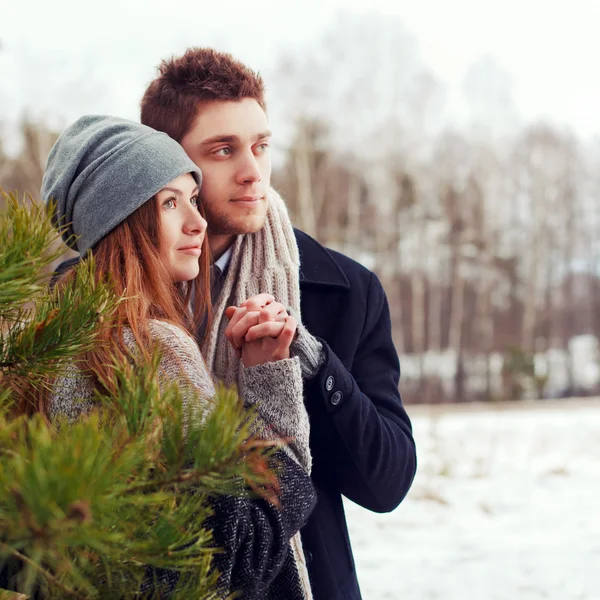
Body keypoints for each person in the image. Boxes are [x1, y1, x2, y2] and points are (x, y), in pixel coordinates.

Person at [138, 48, 418, 600]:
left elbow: (387, 482)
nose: (252, 172)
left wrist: (312, 362)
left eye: (261, 146)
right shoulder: (96, 299)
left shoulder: (340, 291)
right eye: (223, 150)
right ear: (170, 164)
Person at [40, 115, 317, 599]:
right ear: (120, 222)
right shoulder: (150, 348)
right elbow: (241, 550)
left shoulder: (52, 344)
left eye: (192, 198)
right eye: (170, 203)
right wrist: (271, 381)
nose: (197, 221)